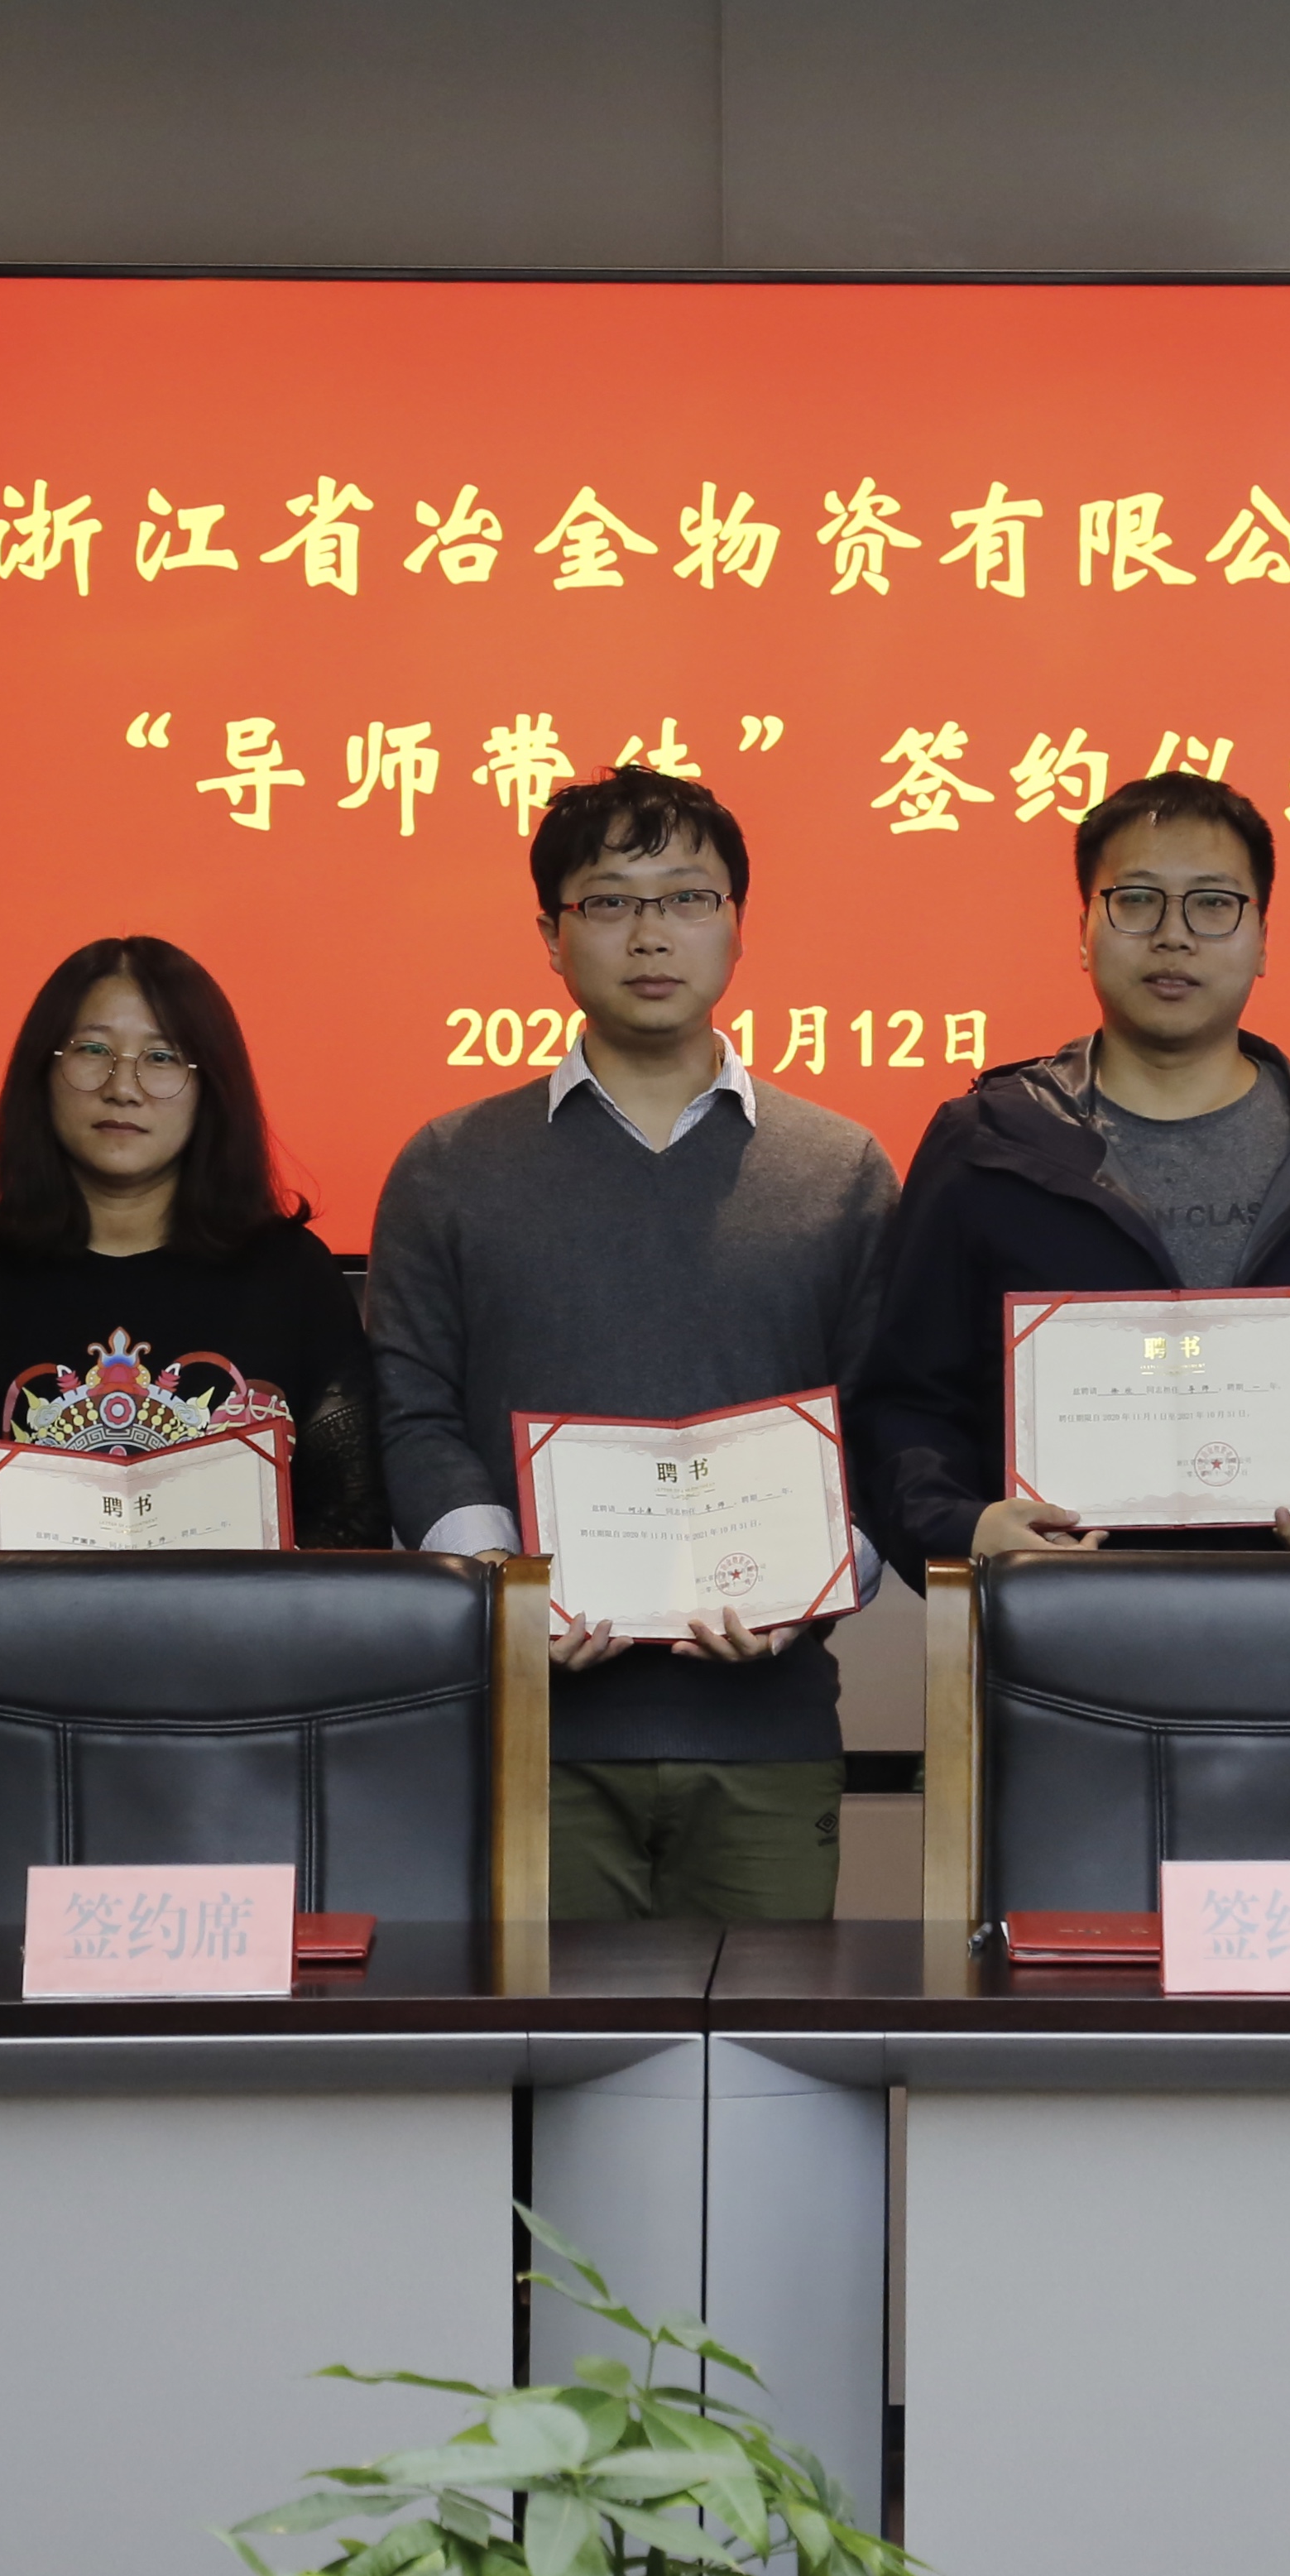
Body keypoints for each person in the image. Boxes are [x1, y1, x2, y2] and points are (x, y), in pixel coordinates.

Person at [370, 768, 900, 1921]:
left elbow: (886, 1415)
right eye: (608, 900)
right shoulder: (451, 1163)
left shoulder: (840, 1167)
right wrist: (507, 1586)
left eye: (687, 897)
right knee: (546, 2031)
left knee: (769, 2028)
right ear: (550, 935)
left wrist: (816, 1580)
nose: (650, 933)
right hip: (531, 1728)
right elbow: (410, 1406)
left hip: (766, 1729)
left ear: (737, 925)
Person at [851, 770, 1290, 1585]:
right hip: (1059, 1623)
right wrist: (966, 1528)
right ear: (1084, 932)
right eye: (1137, 900)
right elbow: (905, 1400)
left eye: (1213, 903)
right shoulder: (987, 1146)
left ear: (1263, 938)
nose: (1173, 935)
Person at [0, 936, 385, 1556]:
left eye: (163, 1057)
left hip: (247, 1619)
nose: (124, 1086)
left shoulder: (295, 1279)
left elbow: (354, 1528)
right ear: (42, 1071)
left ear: (212, 1086)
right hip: (22, 1620)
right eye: (93, 1050)